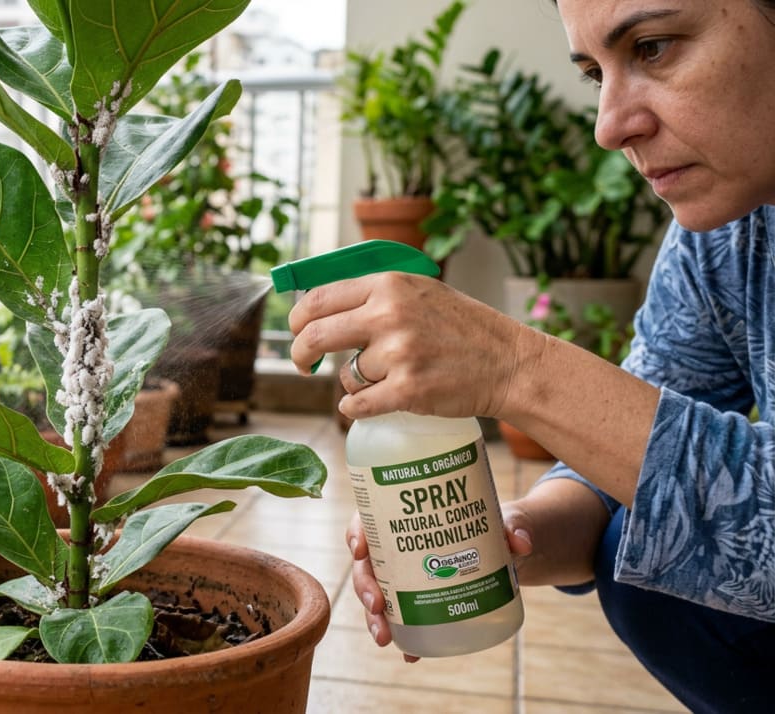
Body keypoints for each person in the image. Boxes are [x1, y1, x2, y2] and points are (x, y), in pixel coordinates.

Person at [287, 1, 775, 711]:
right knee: (633, 556)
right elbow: (626, 467)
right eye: (593, 74)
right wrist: (502, 536)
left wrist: (512, 364)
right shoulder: (727, 234)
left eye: (655, 47)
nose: (610, 126)